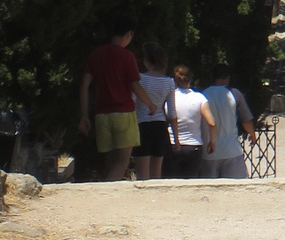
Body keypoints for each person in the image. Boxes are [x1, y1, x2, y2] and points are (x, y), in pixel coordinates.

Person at [78, 13, 157, 181]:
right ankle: (106, 192)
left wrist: (84, 115)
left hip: (102, 114)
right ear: (129, 34)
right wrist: (150, 104)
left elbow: (84, 85)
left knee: (110, 162)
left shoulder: (96, 54)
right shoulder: (126, 56)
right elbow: (135, 85)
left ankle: (108, 188)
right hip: (123, 113)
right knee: (122, 161)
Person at [132, 42, 180, 179]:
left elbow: (133, 102)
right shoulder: (169, 82)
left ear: (146, 61)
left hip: (142, 125)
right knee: (156, 174)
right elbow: (172, 113)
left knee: (142, 174)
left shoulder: (139, 79)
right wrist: (176, 138)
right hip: (160, 127)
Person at [200, 63, 256, 179]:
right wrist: (252, 134)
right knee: (235, 186)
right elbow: (246, 120)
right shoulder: (235, 94)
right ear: (227, 78)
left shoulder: (203, 95)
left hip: (209, 152)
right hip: (231, 150)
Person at [166, 65, 217, 178]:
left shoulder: (170, 97)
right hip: (194, 146)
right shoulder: (199, 98)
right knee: (191, 182)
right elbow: (212, 123)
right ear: (191, 79)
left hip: (172, 144)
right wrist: (212, 141)